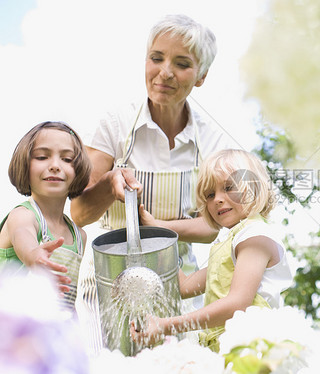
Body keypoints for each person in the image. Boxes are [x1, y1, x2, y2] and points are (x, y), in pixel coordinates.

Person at [70, 14, 237, 353]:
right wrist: (109, 184)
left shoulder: (212, 139)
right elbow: (79, 212)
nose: (165, 72)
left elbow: (216, 224)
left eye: (182, 63)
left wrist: (159, 226)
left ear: (202, 76)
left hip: (176, 283)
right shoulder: (115, 122)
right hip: (104, 281)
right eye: (156, 58)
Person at [130, 149, 294, 352]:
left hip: (253, 351)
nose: (217, 199)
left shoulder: (255, 237)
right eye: (210, 194)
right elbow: (185, 287)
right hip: (230, 352)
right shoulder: (230, 244)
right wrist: (158, 236)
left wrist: (166, 325)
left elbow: (237, 304)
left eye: (228, 188)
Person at [0, 121, 91, 311]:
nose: (55, 166)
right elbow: (22, 234)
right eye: (42, 157)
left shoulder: (79, 236)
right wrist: (33, 255)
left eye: (67, 159)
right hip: (12, 330)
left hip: (50, 334)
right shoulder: (23, 215)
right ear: (24, 164)